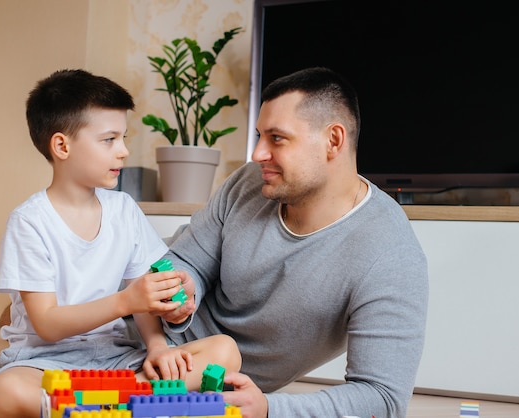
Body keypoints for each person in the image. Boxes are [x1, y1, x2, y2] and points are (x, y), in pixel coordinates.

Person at [159, 67, 429, 418]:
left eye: (277, 138)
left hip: (195, 379)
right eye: (259, 136)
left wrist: (269, 408)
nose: (257, 154)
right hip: (135, 327)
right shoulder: (248, 182)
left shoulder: (389, 254)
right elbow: (187, 259)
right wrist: (183, 287)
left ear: (333, 140)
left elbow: (382, 397)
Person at [0, 69, 241, 418]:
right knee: (5, 392)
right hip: (45, 361)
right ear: (62, 146)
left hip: (117, 357)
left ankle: (106, 405)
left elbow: (143, 296)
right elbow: (47, 324)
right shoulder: (29, 222)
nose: (123, 151)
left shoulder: (124, 210)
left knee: (225, 351)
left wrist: (156, 347)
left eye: (123, 138)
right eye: (109, 140)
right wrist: (124, 301)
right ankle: (133, 404)